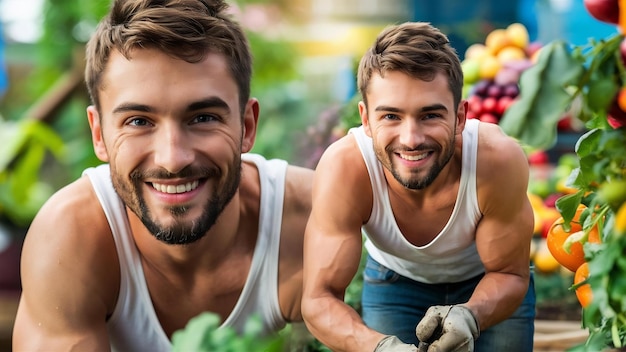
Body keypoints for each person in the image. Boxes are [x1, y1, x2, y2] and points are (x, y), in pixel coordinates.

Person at [12, 0, 313, 351]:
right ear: (99, 135)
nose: (172, 159)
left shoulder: (308, 221)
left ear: (247, 126)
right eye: (138, 122)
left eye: (203, 118)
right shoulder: (70, 236)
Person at [301, 22, 535, 352]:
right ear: (365, 120)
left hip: (488, 281)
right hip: (394, 283)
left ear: (460, 117)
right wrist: (380, 347)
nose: (411, 139)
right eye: (391, 117)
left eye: (429, 115)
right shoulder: (346, 168)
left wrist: (471, 315)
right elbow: (318, 299)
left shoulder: (496, 160)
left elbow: (510, 274)